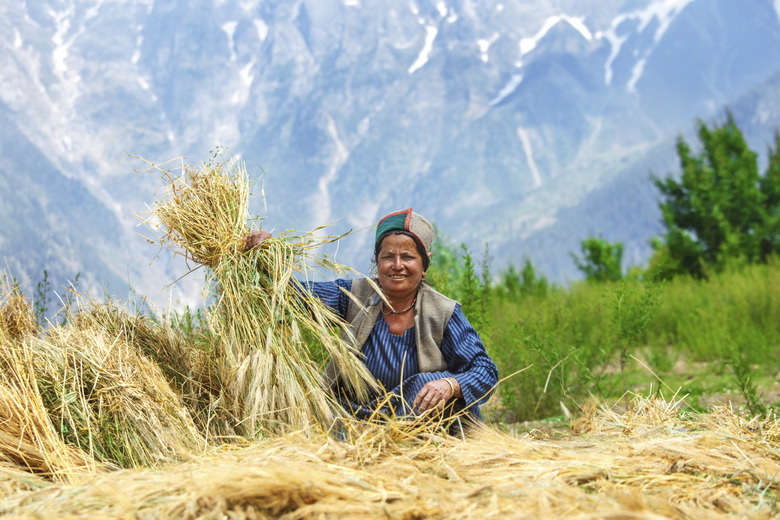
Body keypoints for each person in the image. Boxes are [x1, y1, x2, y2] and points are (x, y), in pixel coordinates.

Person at [245, 208, 498, 429]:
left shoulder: (443, 312)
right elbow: (296, 296)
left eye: (408, 257)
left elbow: (485, 371)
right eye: (388, 256)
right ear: (377, 261)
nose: (397, 265)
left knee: (429, 383)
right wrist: (266, 258)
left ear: (425, 265)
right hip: (355, 421)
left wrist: (449, 385)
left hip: (420, 424)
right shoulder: (355, 296)